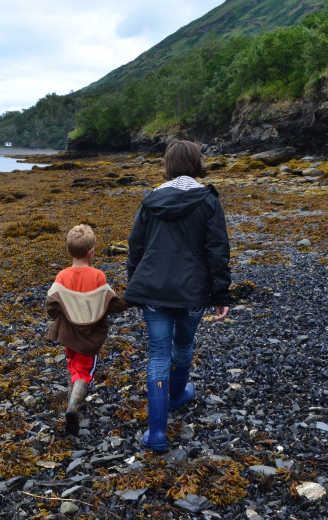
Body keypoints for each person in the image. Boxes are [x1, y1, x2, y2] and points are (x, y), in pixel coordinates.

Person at [123, 140, 231, 451]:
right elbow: (217, 251)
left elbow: (136, 248)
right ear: (197, 162)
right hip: (193, 291)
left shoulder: (151, 200)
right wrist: (221, 293)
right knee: (183, 344)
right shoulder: (208, 200)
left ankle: (156, 433)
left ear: (168, 165)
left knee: (158, 354)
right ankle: (176, 396)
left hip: (154, 290)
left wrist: (136, 284)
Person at [45, 224, 127, 436]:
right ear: (91, 252)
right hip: (89, 336)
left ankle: (74, 400)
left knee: (73, 364)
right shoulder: (98, 275)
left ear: (68, 251)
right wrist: (130, 300)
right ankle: (73, 407)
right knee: (84, 371)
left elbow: (51, 305)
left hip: (68, 334)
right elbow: (109, 301)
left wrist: (59, 315)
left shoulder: (62, 276)